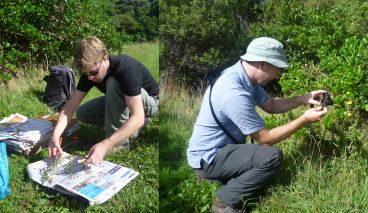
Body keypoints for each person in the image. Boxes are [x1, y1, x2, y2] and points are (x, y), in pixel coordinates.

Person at [186, 37, 328, 213]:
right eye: (278, 68)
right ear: (262, 63)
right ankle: (224, 201)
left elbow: (271, 105)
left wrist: (302, 99)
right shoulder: (233, 92)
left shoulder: (244, 78)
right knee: (272, 157)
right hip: (209, 158)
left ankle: (222, 178)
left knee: (262, 165)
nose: (278, 75)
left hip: (221, 150)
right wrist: (304, 119)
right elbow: (265, 139)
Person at [48, 36, 159, 164]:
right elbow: (69, 108)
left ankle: (119, 146)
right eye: (86, 74)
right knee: (83, 112)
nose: (90, 78)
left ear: (105, 57)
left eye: (94, 73)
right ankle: (127, 127)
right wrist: (55, 135)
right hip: (126, 100)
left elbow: (138, 116)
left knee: (113, 83)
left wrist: (105, 145)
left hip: (150, 102)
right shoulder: (89, 74)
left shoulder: (126, 68)